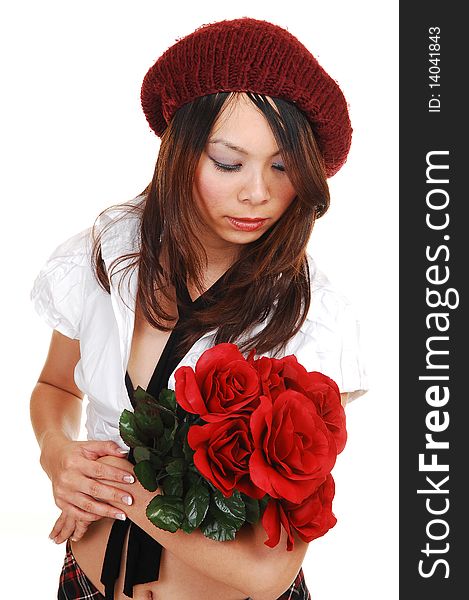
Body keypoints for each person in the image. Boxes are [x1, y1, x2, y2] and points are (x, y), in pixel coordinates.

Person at [29, 16, 368, 600]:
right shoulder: (104, 258)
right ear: (178, 151)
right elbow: (58, 388)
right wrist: (59, 454)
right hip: (83, 585)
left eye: (283, 166)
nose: (257, 193)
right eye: (228, 162)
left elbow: (269, 572)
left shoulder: (314, 319)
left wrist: (119, 493)